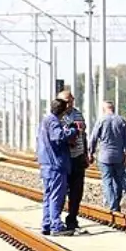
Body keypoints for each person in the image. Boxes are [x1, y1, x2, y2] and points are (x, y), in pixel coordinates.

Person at [37, 98, 78, 236]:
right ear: (63, 110)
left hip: (47, 164)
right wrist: (73, 131)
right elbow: (58, 136)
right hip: (56, 165)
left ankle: (47, 224)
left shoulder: (45, 120)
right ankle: (56, 226)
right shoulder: (54, 121)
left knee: (48, 195)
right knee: (56, 196)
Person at [88, 100, 126, 212]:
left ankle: (113, 206)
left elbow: (93, 138)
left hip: (104, 156)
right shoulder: (121, 120)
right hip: (119, 156)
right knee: (118, 181)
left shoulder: (101, 120)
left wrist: (91, 153)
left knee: (107, 181)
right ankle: (116, 203)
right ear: (113, 108)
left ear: (104, 109)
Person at [56, 90, 88, 232]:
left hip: (78, 157)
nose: (69, 104)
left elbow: (83, 135)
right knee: (61, 191)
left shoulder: (78, 114)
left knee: (77, 191)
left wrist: (86, 153)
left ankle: (72, 219)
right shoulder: (56, 117)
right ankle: (56, 220)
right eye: (67, 101)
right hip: (64, 159)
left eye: (71, 100)